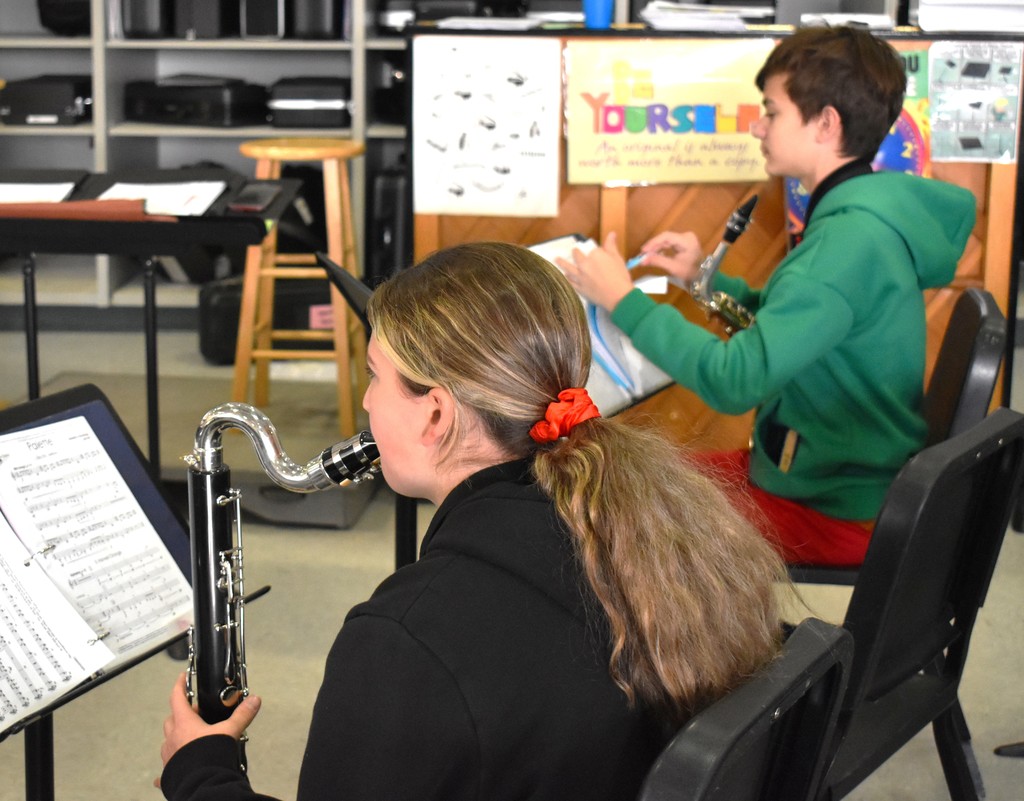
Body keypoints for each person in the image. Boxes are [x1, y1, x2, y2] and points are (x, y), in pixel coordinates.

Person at [158, 242, 787, 801]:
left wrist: (200, 772)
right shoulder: (661, 534)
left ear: (436, 415)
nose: (368, 401)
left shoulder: (406, 639)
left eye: (375, 377)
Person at [557, 26, 977, 567]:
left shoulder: (843, 247)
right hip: (836, 482)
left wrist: (622, 300)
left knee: (616, 511)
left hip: (834, 508)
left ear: (826, 124)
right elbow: (797, 321)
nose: (758, 125)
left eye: (772, 112)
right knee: (628, 485)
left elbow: (736, 380)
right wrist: (699, 279)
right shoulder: (862, 223)